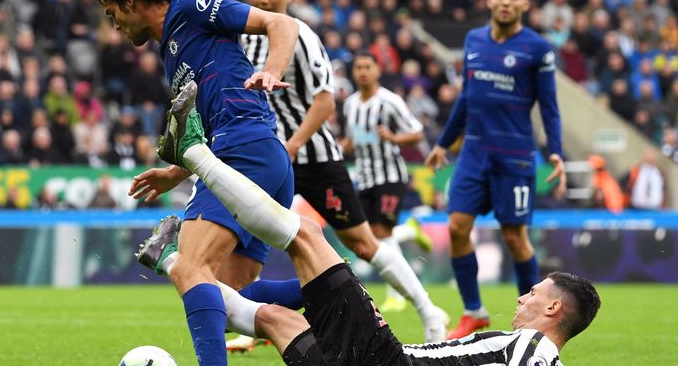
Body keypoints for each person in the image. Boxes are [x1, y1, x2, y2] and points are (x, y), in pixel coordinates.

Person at [131, 81, 600, 365]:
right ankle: (171, 258)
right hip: (369, 360)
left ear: (554, 310)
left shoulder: (533, 349)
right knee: (275, 318)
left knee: (308, 236)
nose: (523, 296)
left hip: (383, 361)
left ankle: (194, 152)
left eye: (534, 293)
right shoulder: (522, 349)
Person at [90, 0, 299, 366]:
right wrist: (174, 172)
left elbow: (281, 23)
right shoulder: (172, 53)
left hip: (241, 148)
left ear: (130, 0)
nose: (115, 26)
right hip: (258, 155)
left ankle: (168, 259)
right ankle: (332, 286)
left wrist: (271, 71)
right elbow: (202, 121)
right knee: (223, 301)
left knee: (189, 270)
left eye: (114, 14)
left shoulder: (192, 7)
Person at [230, 0, 446, 350]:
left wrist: (292, 145)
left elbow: (325, 103)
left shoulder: (304, 36)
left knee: (363, 242)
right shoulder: (243, 36)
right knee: (248, 244)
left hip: (312, 159)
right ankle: (260, 326)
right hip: (265, 157)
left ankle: (429, 311)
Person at [424, 0, 567, 339]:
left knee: (515, 237)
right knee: (456, 227)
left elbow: (549, 106)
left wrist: (555, 152)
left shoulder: (537, 48)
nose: (505, 1)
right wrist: (444, 141)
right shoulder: (473, 40)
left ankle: (534, 324)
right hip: (473, 152)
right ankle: (474, 311)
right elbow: (466, 96)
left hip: (514, 156)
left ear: (524, 5)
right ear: (489, 1)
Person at [341, 51, 436, 313]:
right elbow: (352, 139)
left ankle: (396, 294)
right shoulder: (350, 105)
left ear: (377, 71)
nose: (362, 71)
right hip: (365, 176)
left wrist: (393, 138)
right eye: (358, 67)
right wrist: (339, 148)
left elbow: (416, 134)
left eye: (367, 67)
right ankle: (410, 231)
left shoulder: (390, 102)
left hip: (390, 175)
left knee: (381, 234)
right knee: (368, 238)